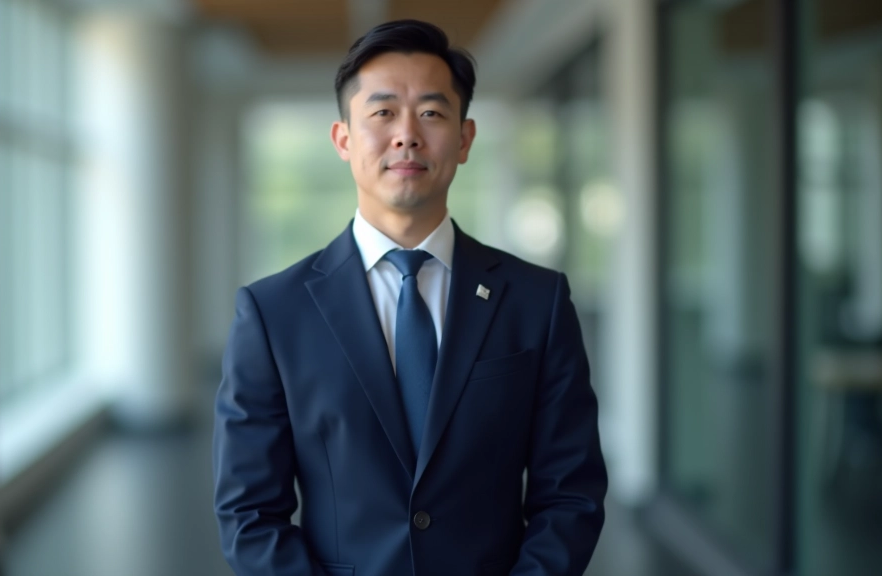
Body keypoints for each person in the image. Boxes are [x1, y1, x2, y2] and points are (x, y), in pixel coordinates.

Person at [213, 19, 607, 576]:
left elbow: (570, 493)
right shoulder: (273, 314)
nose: (406, 135)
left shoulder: (536, 302)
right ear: (343, 140)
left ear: (464, 138)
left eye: (431, 113)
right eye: (382, 113)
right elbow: (250, 515)